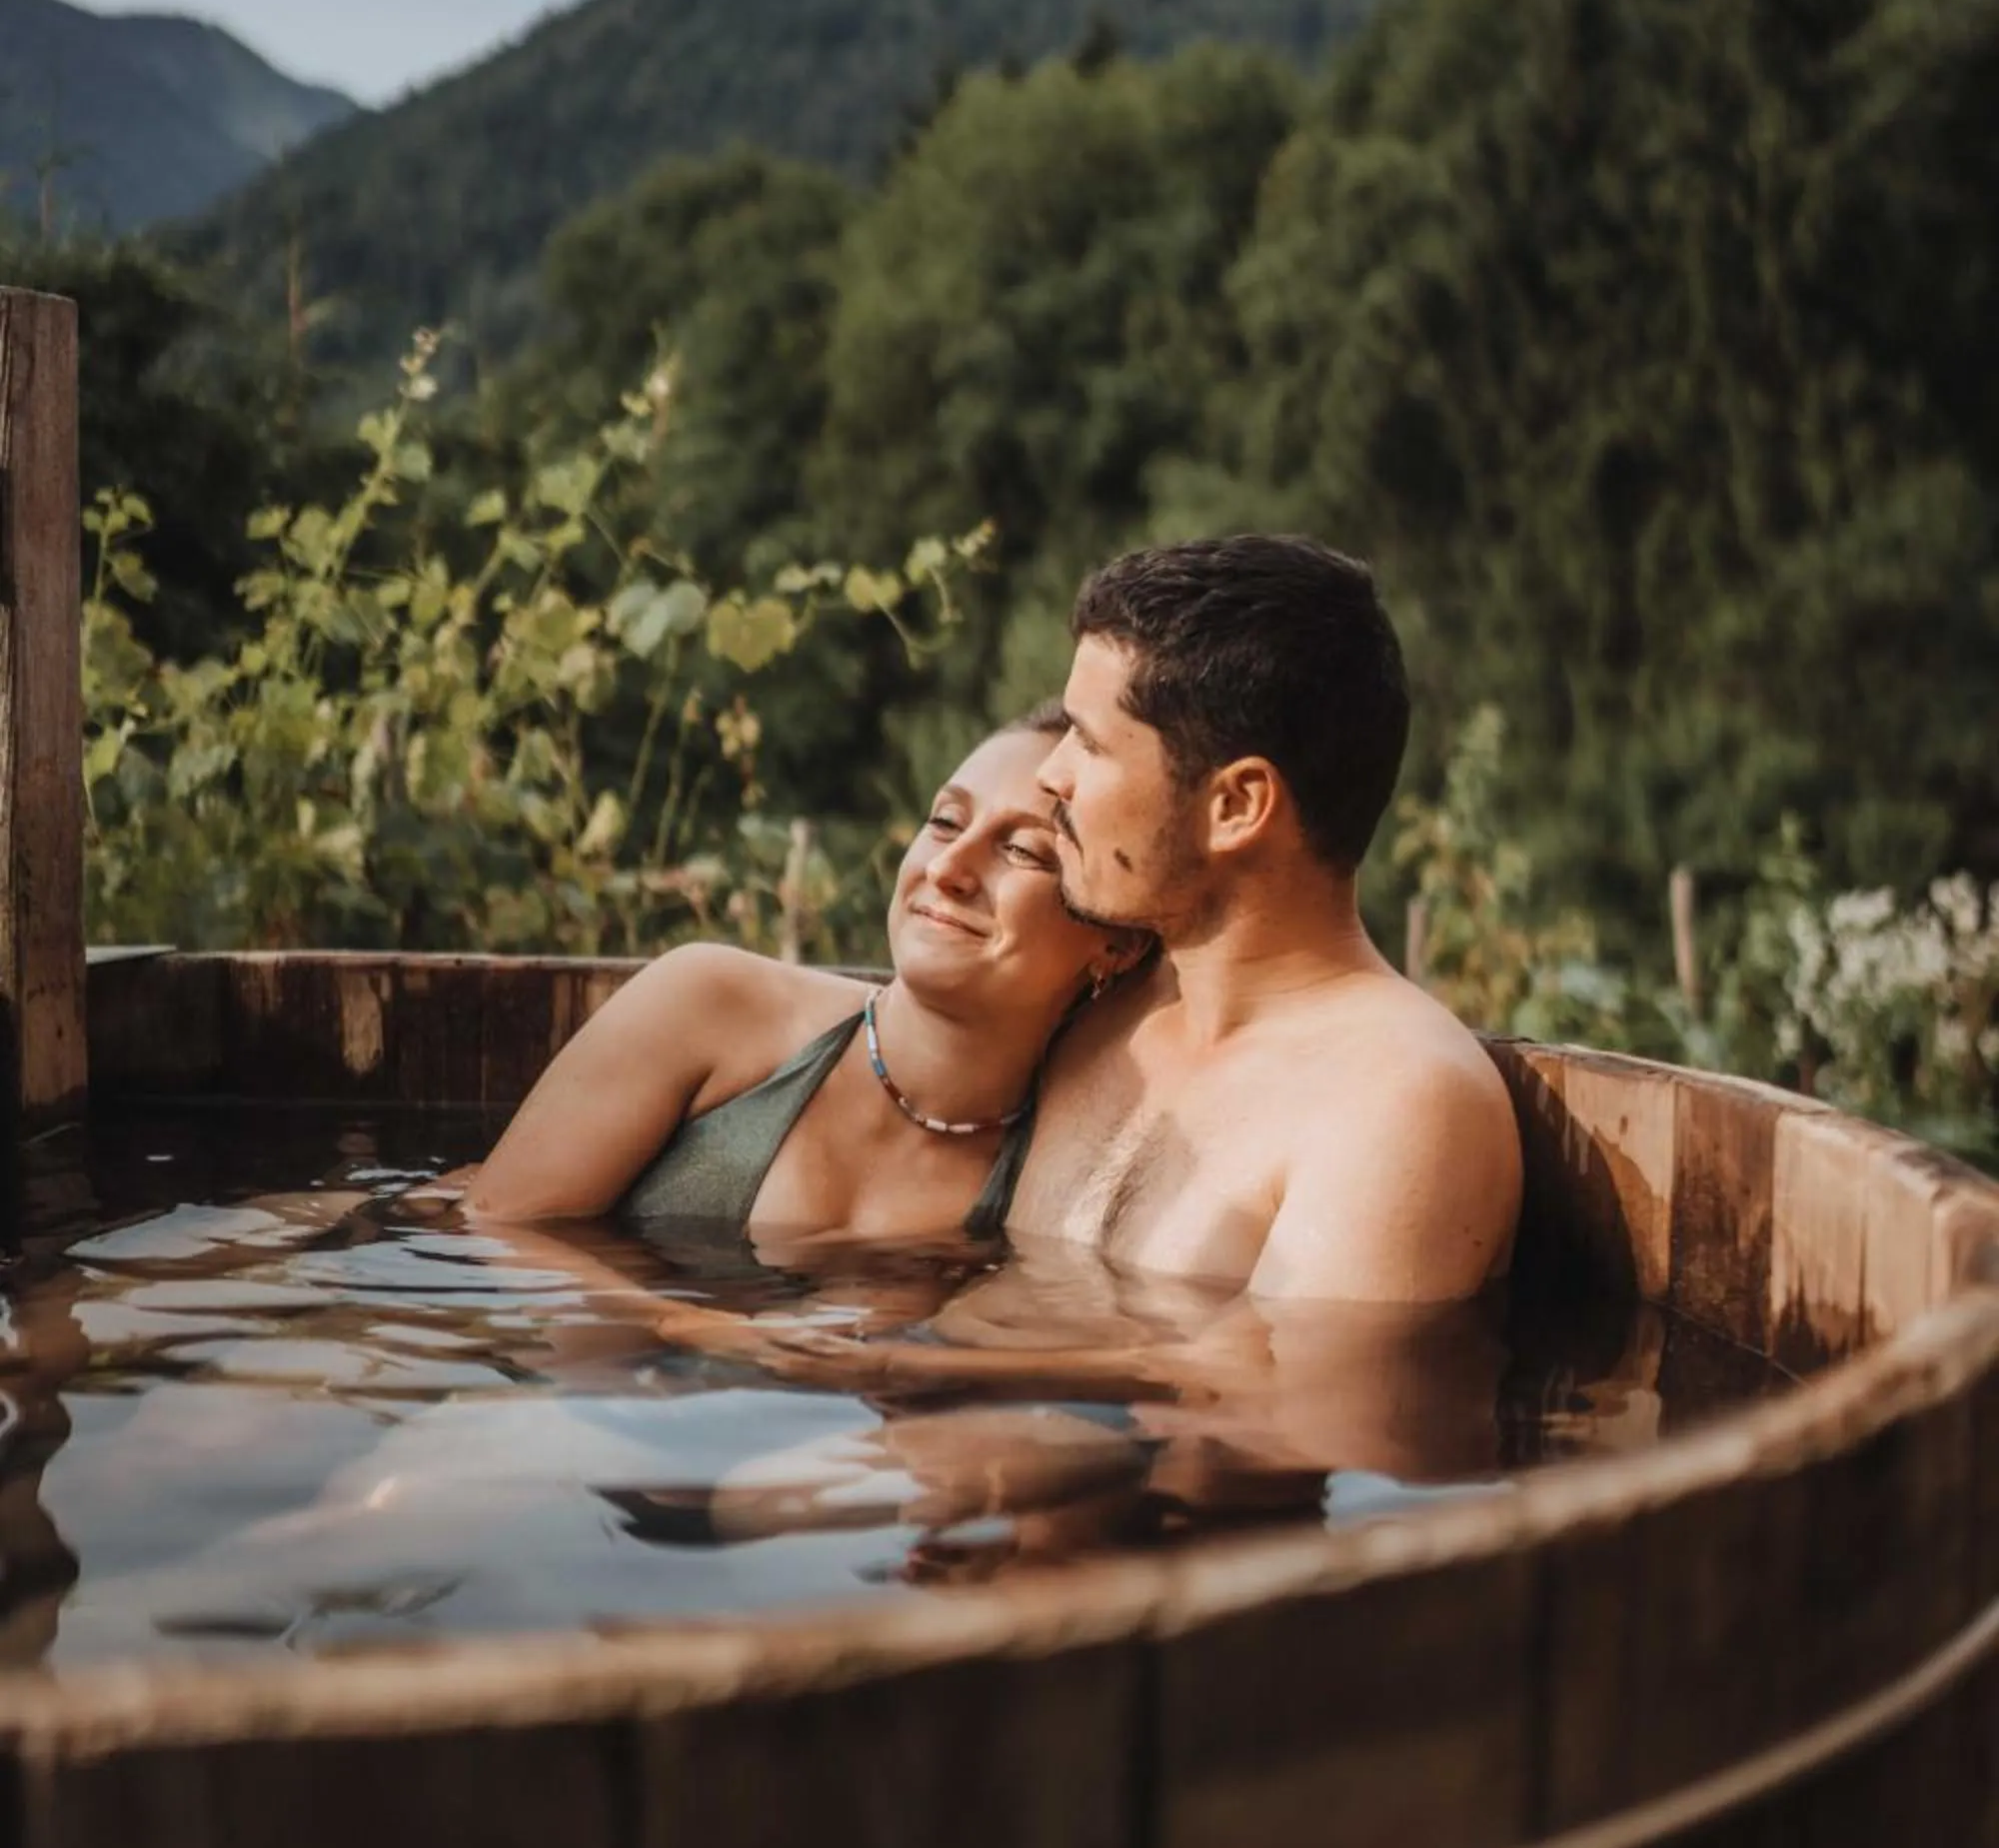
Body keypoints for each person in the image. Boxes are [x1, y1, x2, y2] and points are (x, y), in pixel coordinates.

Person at [1007, 533, 1522, 1302]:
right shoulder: (1096, 1005)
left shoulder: (1396, 1107)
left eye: (1088, 741)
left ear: (1238, 806)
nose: (1050, 776)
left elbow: (1303, 1418)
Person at [464, 707, 1144, 1243]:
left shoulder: (1057, 1174)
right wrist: (703, 1333)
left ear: (1115, 946)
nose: (947, 868)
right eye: (944, 821)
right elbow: (497, 1234)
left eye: (1022, 850)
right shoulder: (709, 1001)